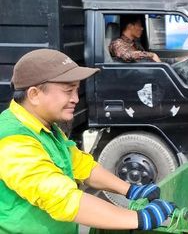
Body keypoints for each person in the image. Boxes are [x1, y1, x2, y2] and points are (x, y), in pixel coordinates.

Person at [0, 49, 175, 233]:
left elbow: (81, 165)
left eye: (76, 90)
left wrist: (130, 190)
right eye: (68, 91)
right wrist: (139, 218)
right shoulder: (12, 141)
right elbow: (62, 199)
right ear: (34, 95)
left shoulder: (44, 126)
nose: (75, 99)